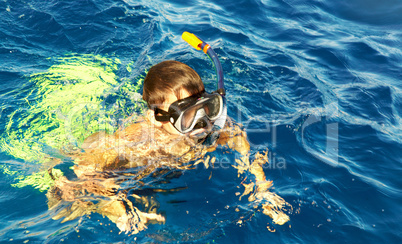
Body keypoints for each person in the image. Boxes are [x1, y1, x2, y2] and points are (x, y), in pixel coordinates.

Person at [47, 43, 290, 234]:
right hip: (135, 178)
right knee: (67, 211)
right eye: (188, 117)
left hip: (173, 181)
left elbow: (241, 142)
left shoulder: (213, 128)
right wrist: (119, 212)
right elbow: (79, 180)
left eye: (206, 108)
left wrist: (261, 188)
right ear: (156, 117)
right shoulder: (135, 141)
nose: (202, 123)